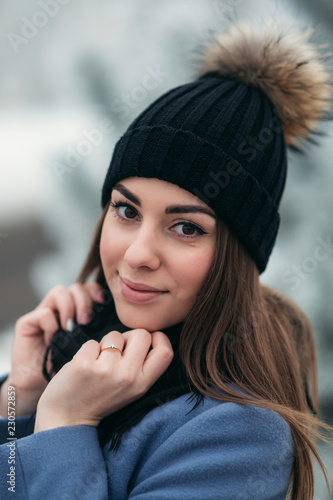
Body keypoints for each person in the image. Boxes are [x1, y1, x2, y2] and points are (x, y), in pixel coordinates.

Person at [0, 20, 332, 500]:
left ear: (237, 259)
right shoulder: (73, 363)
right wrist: (24, 395)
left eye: (186, 227)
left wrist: (64, 423)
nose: (137, 255)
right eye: (127, 210)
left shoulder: (241, 437)